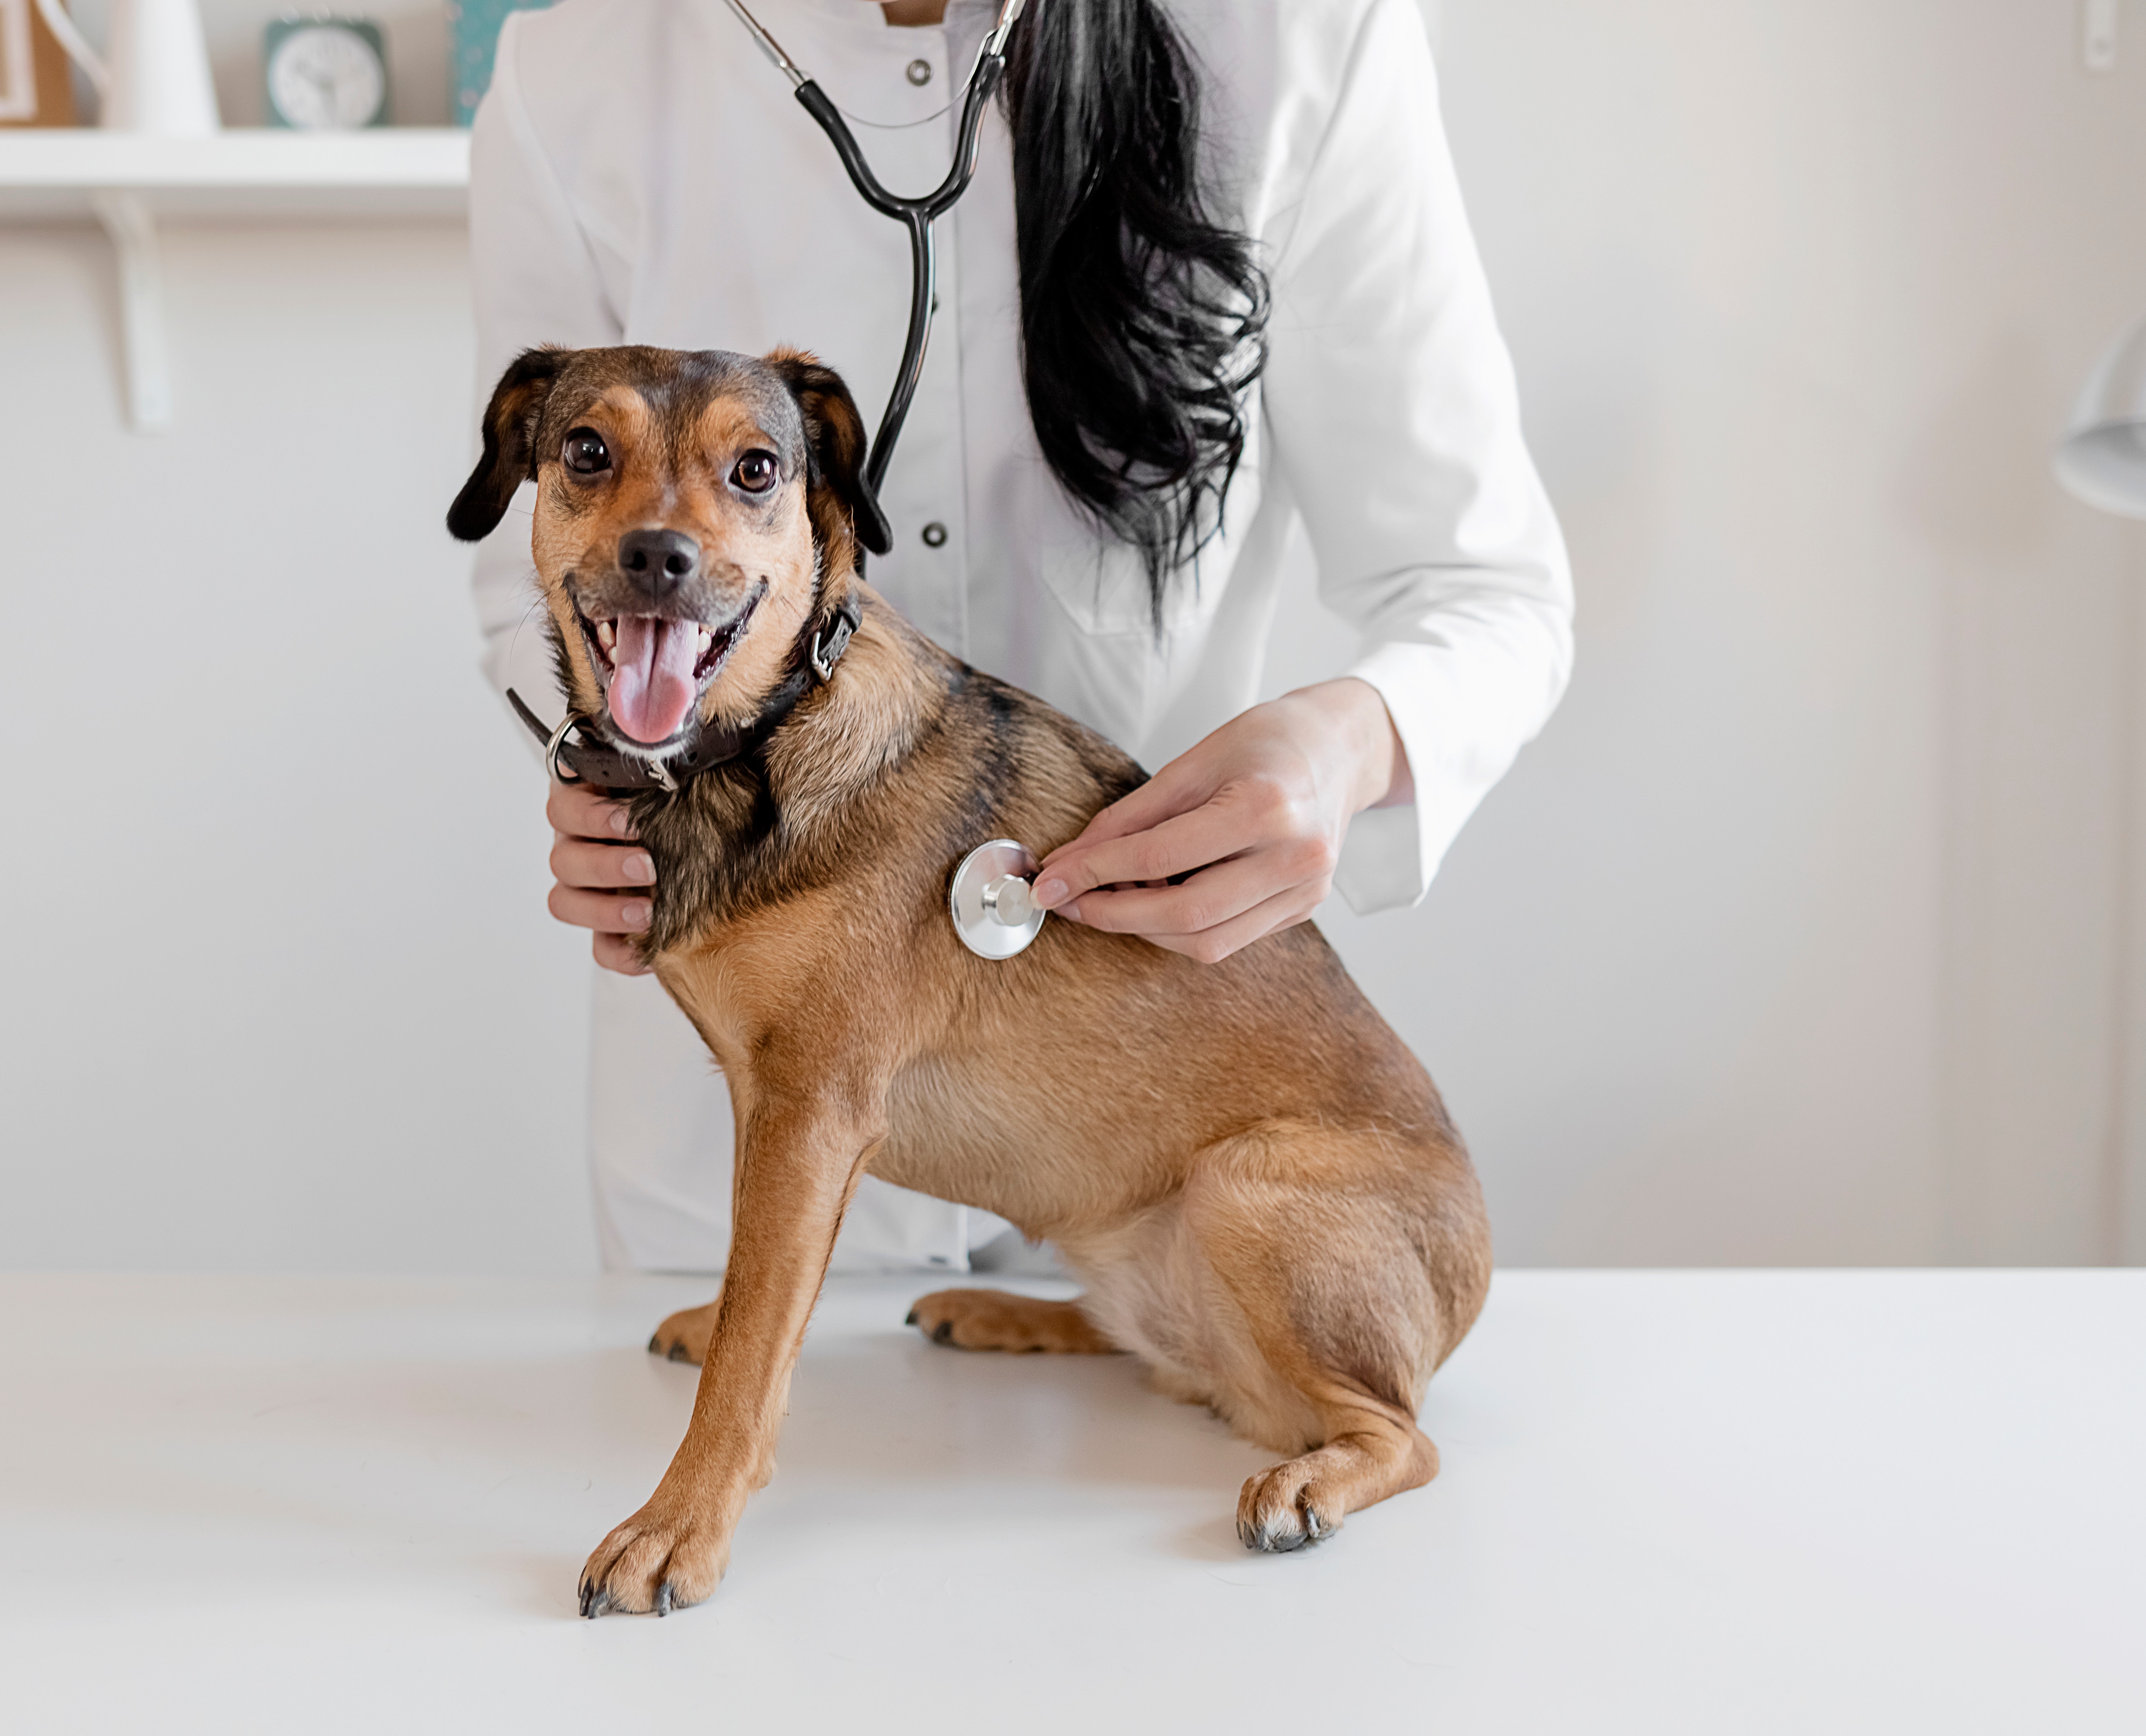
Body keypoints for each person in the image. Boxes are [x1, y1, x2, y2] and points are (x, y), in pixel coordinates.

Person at [467, 0, 1573, 1274]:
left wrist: (1345, 748)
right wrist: (596, 767)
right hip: (735, 1174)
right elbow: (528, 577)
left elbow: (1485, 591)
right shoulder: (573, 74)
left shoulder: (1303, 42)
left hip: (1153, 1150)